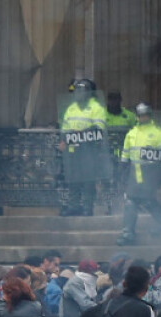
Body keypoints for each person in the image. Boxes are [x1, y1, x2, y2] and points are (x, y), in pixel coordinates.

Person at [116, 103, 161, 246]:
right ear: (137, 117)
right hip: (135, 172)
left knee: (148, 200)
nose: (143, 118)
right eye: (140, 115)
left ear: (150, 116)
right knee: (130, 201)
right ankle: (128, 233)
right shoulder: (131, 133)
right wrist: (121, 170)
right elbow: (125, 154)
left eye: (145, 115)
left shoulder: (158, 133)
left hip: (151, 172)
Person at [59, 79, 107, 216]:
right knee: (73, 178)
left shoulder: (96, 108)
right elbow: (65, 127)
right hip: (73, 149)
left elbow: (99, 129)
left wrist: (81, 133)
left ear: (89, 93)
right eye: (77, 91)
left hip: (89, 149)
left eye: (82, 91)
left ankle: (87, 207)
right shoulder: (71, 108)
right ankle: (74, 206)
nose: (79, 94)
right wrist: (63, 139)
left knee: (88, 180)